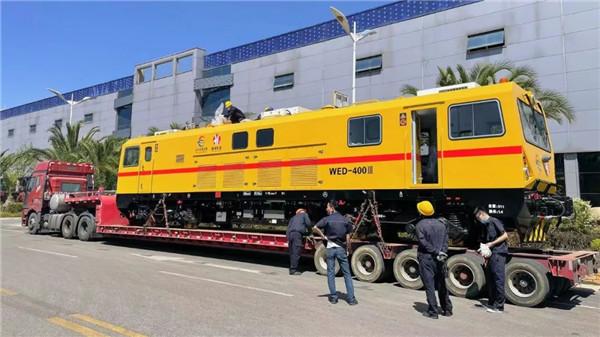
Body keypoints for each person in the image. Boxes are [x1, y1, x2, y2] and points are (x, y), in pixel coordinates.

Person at [312, 200, 358, 305]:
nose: (326, 209)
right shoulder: (345, 220)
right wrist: (348, 248)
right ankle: (351, 299)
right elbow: (347, 236)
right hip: (341, 249)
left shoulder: (326, 219)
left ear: (332, 208)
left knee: (331, 273)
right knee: (347, 274)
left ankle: (333, 297)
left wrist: (323, 237)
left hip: (330, 249)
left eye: (327, 207)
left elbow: (314, 227)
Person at [415, 200, 452, 319]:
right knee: (442, 284)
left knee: (430, 285)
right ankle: (447, 309)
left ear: (420, 212)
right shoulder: (442, 224)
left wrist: (435, 251)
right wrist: (442, 252)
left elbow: (423, 242)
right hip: (440, 258)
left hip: (426, 258)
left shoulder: (420, 225)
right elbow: (446, 240)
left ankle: (433, 311)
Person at [474, 206, 509, 313]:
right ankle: (492, 302)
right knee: (491, 278)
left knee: (498, 279)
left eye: (478, 218)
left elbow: (505, 235)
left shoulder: (494, 221)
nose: (479, 221)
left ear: (482, 214)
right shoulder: (486, 225)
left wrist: (492, 244)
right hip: (491, 254)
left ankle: (499, 306)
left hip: (498, 253)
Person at [286, 208, 311, 275]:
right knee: (296, 252)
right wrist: (310, 232)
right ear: (303, 211)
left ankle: (292, 268)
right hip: (297, 235)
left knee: (292, 252)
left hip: (290, 235)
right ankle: (293, 270)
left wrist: (288, 238)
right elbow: (308, 224)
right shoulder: (304, 215)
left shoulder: (293, 217)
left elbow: (288, 228)